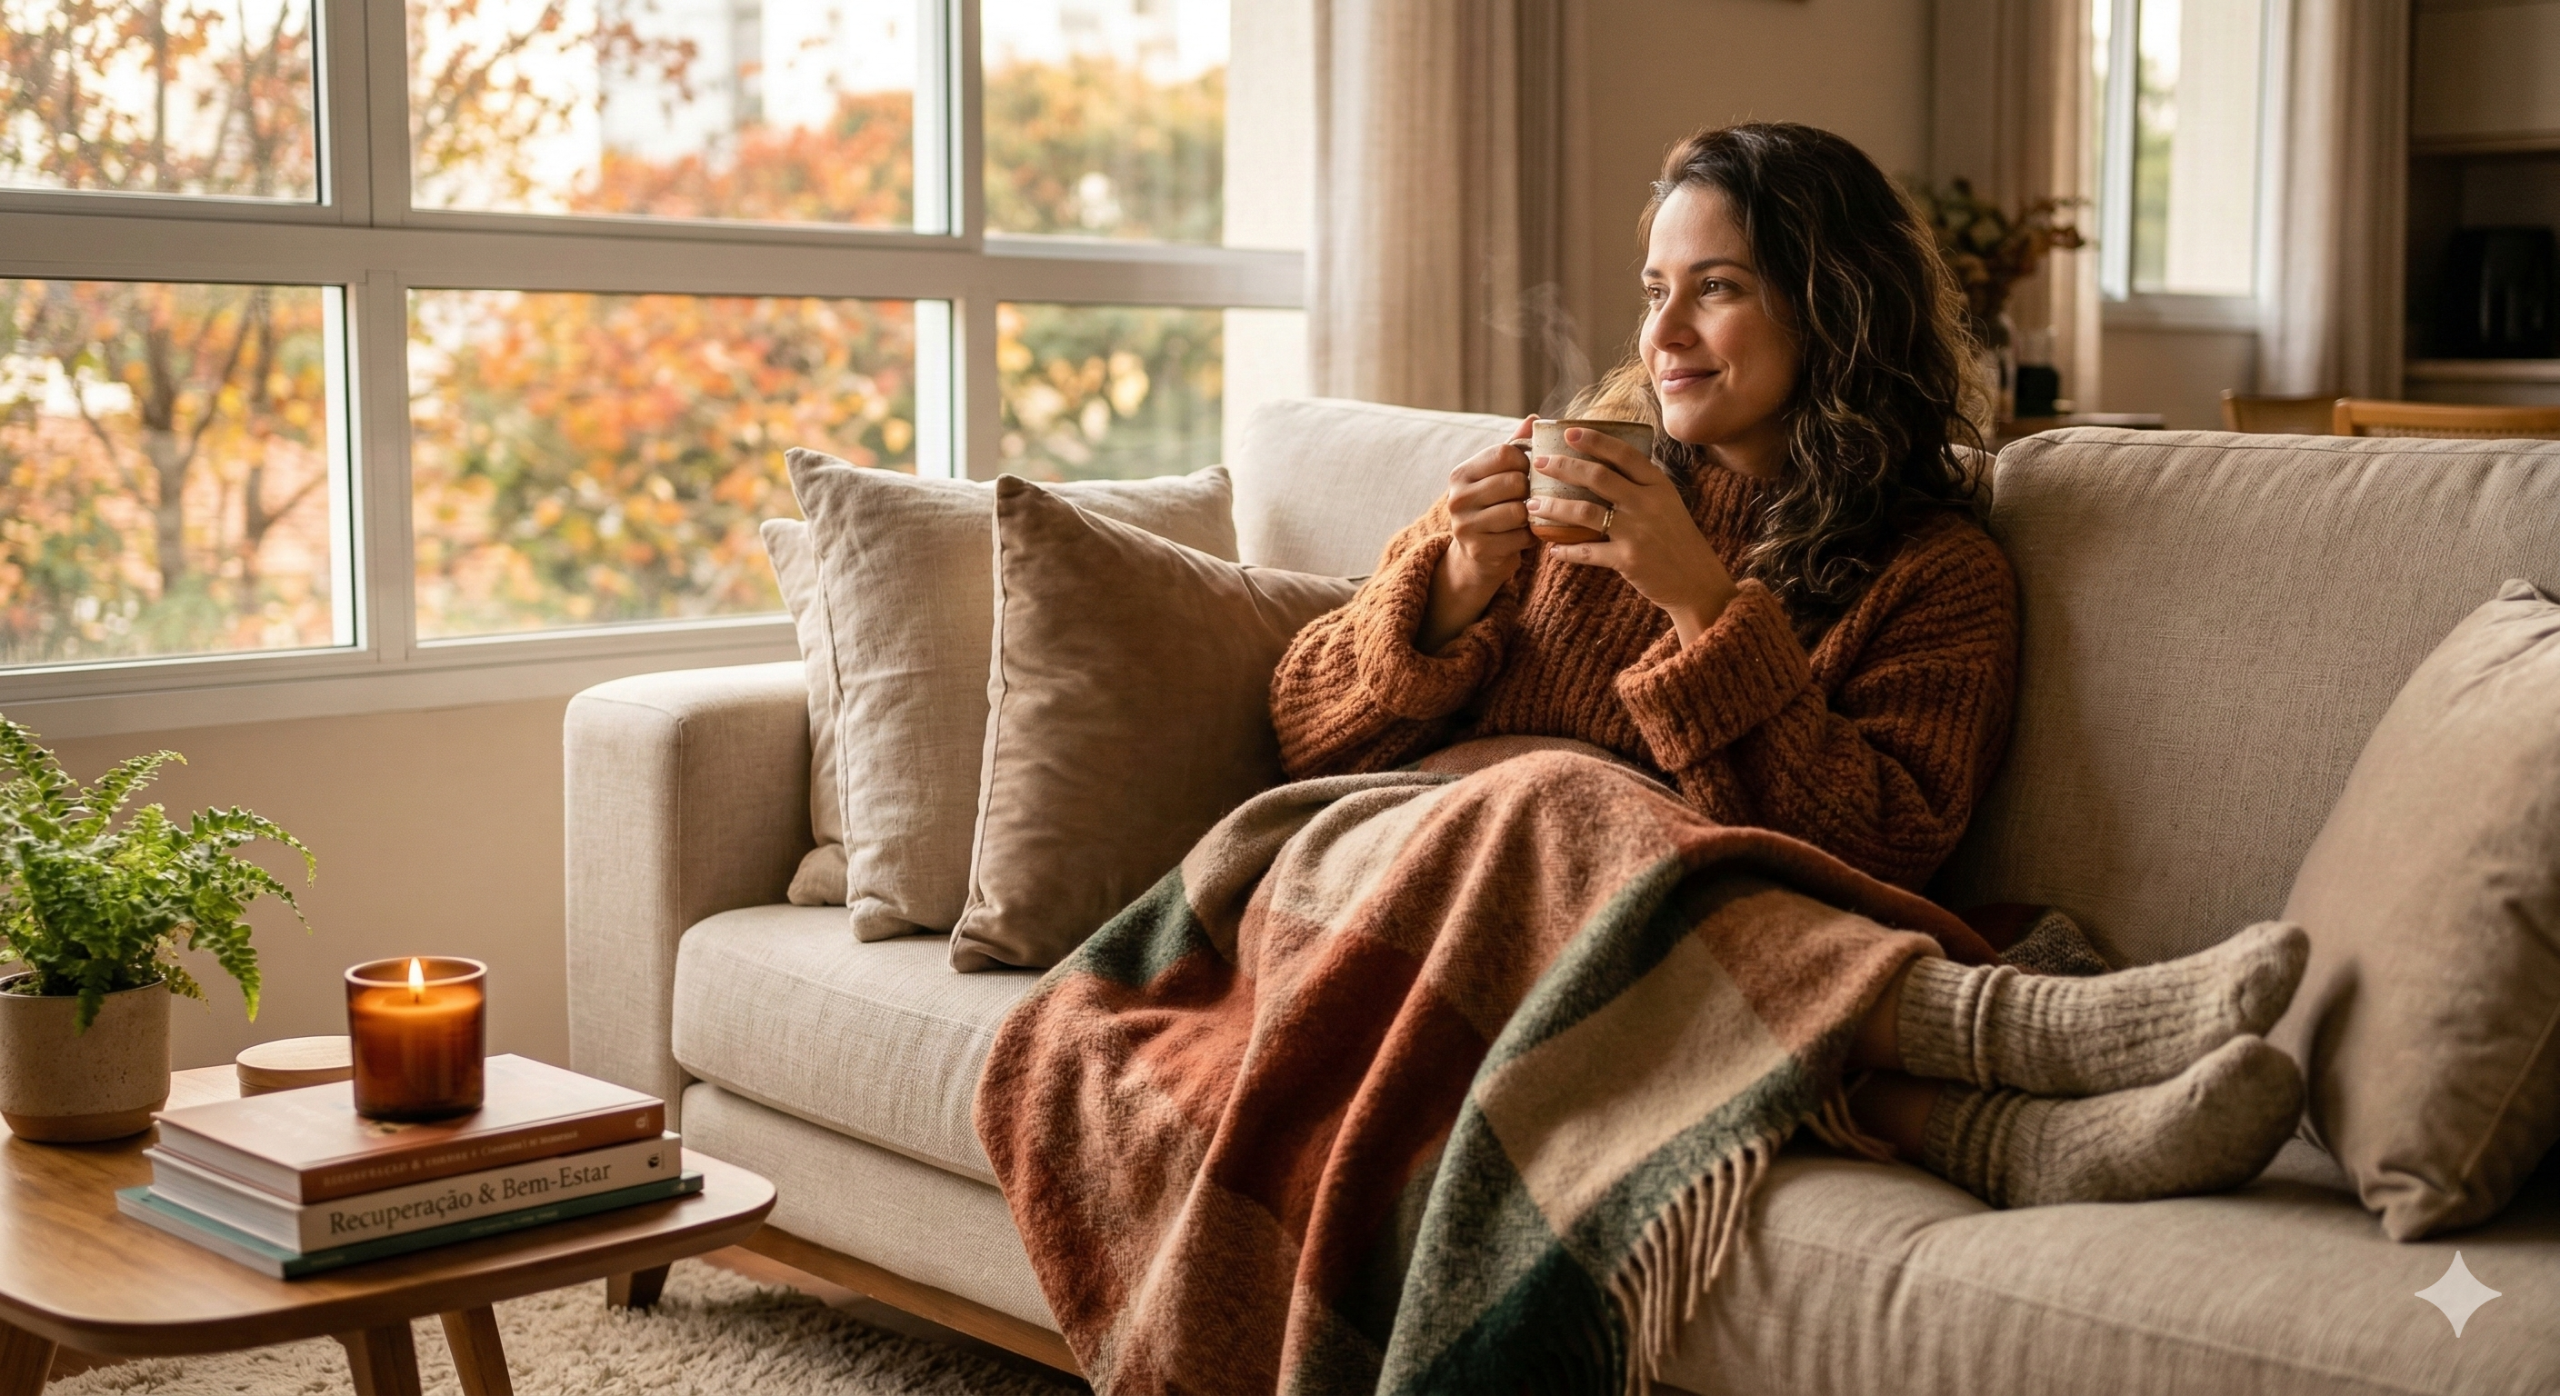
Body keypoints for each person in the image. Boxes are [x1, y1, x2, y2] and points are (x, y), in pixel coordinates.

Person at [1268, 121, 2304, 1209]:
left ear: (1833, 307)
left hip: (1580, 987)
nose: (1663, 331)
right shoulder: (1547, 493)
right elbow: (1304, 734)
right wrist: (1452, 587)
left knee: (1617, 842)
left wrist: (1700, 602)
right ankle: (2012, 1032)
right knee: (1561, 796)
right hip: (1367, 911)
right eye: (1652, 289)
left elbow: (1875, 854)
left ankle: (1982, 1135)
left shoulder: (1932, 572)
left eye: (1713, 288)